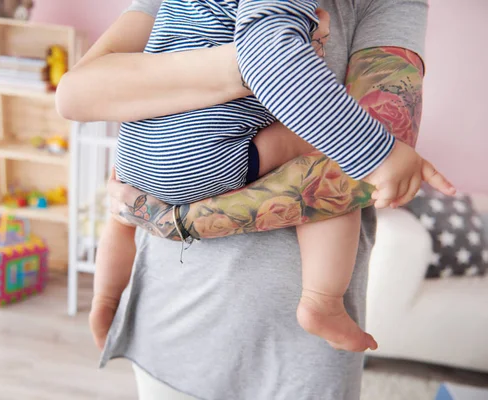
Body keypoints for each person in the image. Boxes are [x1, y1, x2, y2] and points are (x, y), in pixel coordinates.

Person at [56, 0, 445, 398]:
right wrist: (262, 65)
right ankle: (321, 299)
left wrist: (175, 219)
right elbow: (74, 93)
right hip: (172, 323)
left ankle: (105, 298)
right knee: (322, 152)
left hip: (293, 357)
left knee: (123, 208)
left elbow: (363, 166)